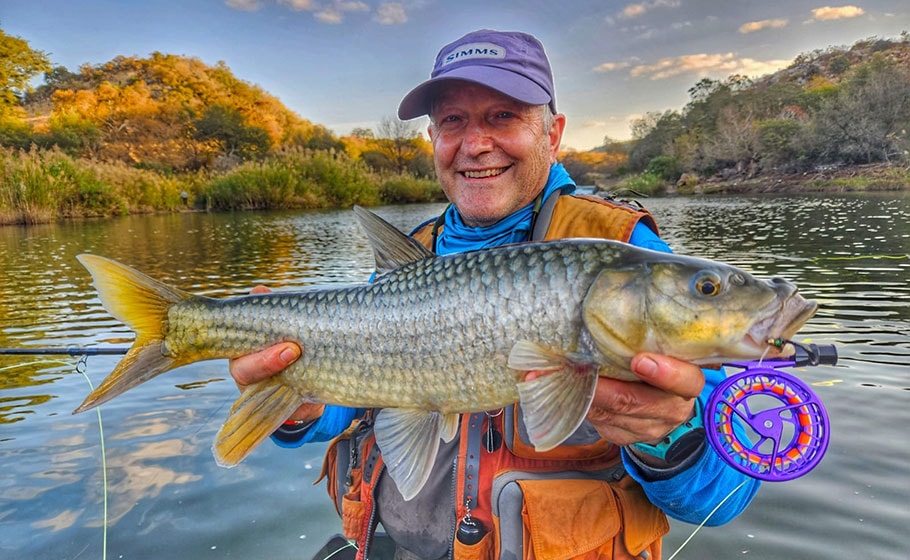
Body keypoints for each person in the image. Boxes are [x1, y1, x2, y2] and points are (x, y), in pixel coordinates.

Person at [231, 29, 761, 560]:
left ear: (552, 134)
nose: (475, 144)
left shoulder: (626, 255)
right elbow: (351, 401)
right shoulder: (414, 253)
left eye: (503, 116)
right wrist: (299, 404)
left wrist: (669, 433)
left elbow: (726, 494)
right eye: (453, 121)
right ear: (433, 139)